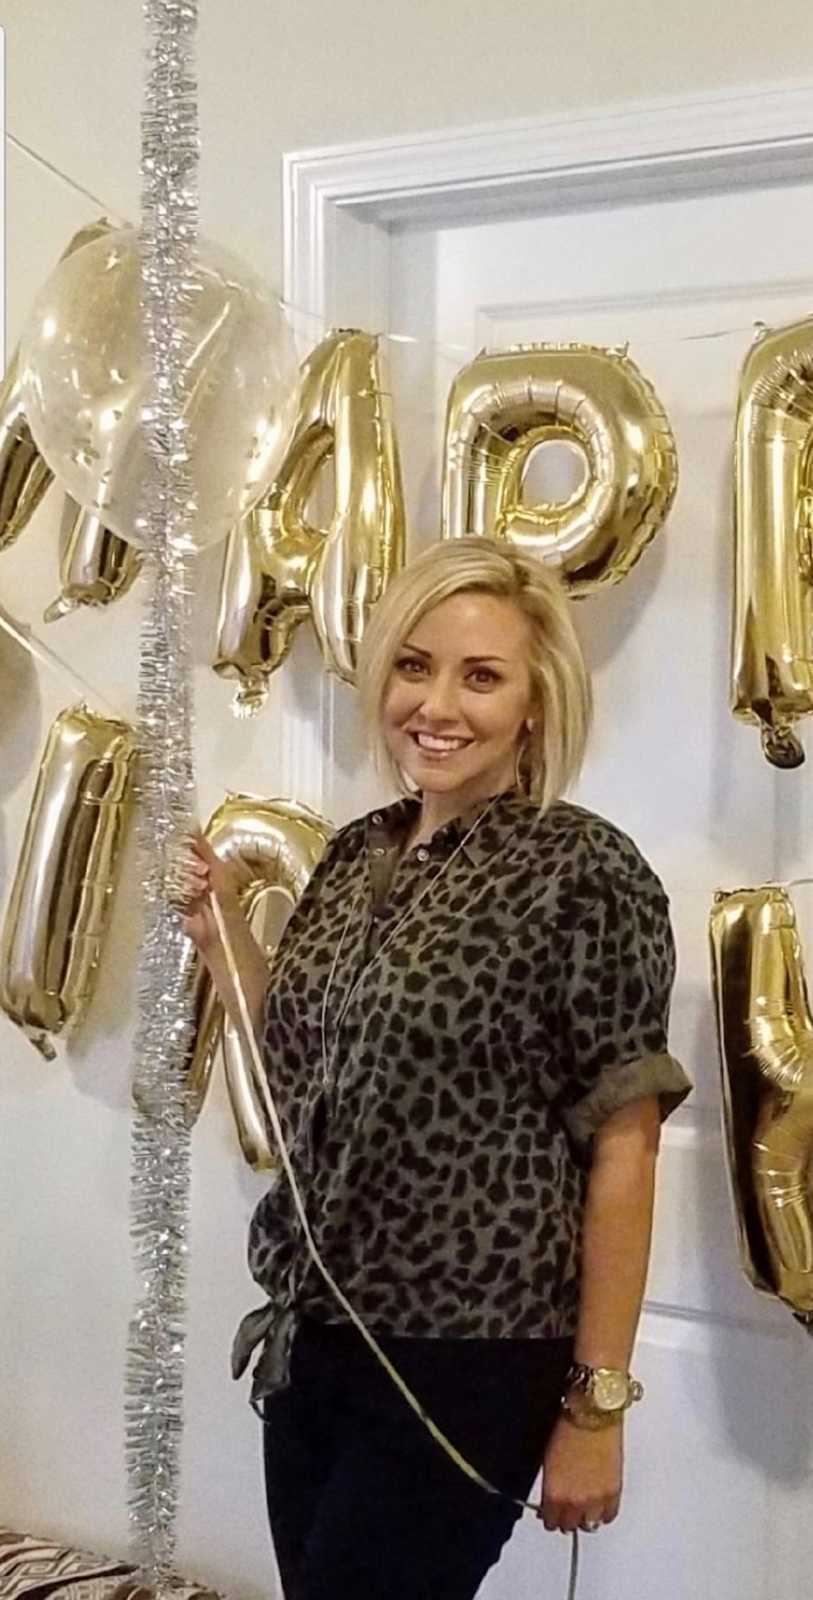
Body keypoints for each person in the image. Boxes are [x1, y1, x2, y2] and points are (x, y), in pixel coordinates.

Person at [178, 536, 691, 1600]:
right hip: (314, 1336)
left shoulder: (582, 871)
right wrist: (219, 918)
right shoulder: (358, 850)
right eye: (414, 665)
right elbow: (298, 1066)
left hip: (470, 1359)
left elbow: (625, 1148)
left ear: (537, 703)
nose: (437, 703)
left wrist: (594, 1408)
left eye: (481, 675)